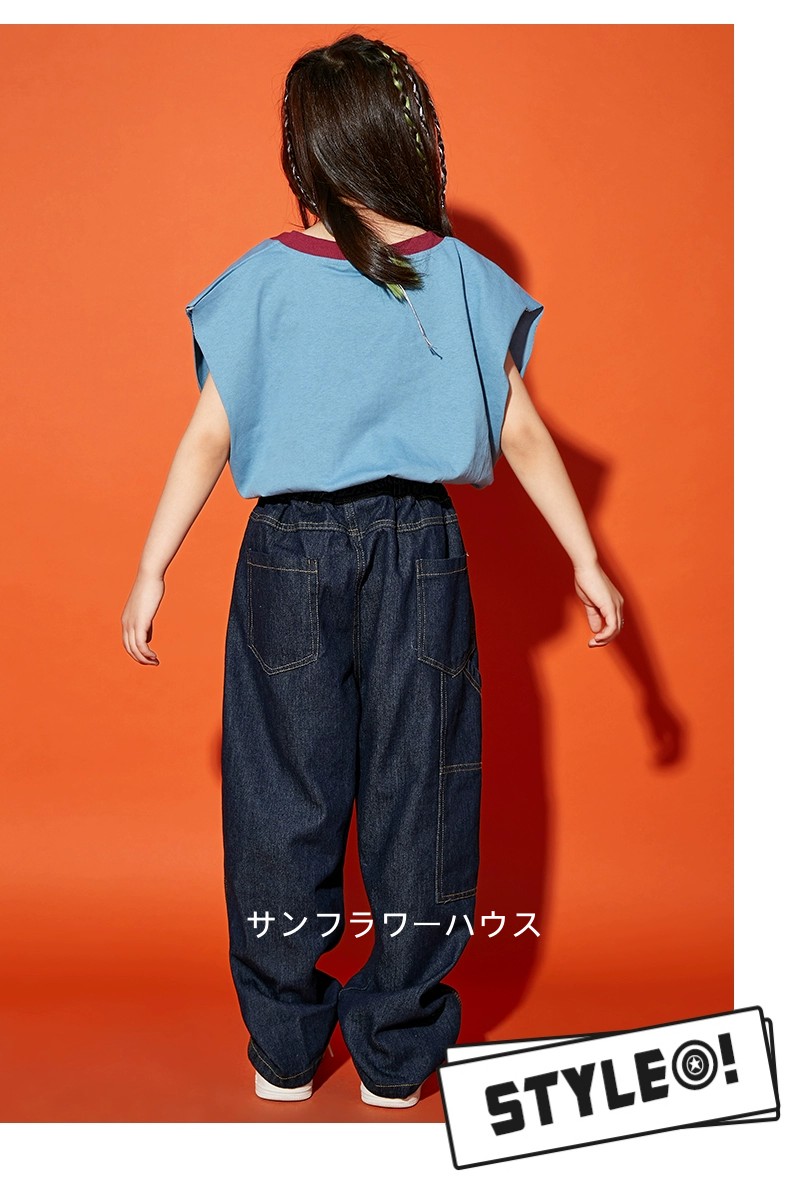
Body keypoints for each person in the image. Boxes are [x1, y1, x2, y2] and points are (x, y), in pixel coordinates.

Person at [121, 32, 624, 1111]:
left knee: (279, 799)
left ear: (303, 151)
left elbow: (208, 433)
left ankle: (284, 1049)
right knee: (421, 796)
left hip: (288, 554)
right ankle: (395, 1051)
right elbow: (521, 431)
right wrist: (586, 558)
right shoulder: (461, 275)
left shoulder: (261, 279)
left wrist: (152, 567)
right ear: (406, 138)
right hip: (419, 553)